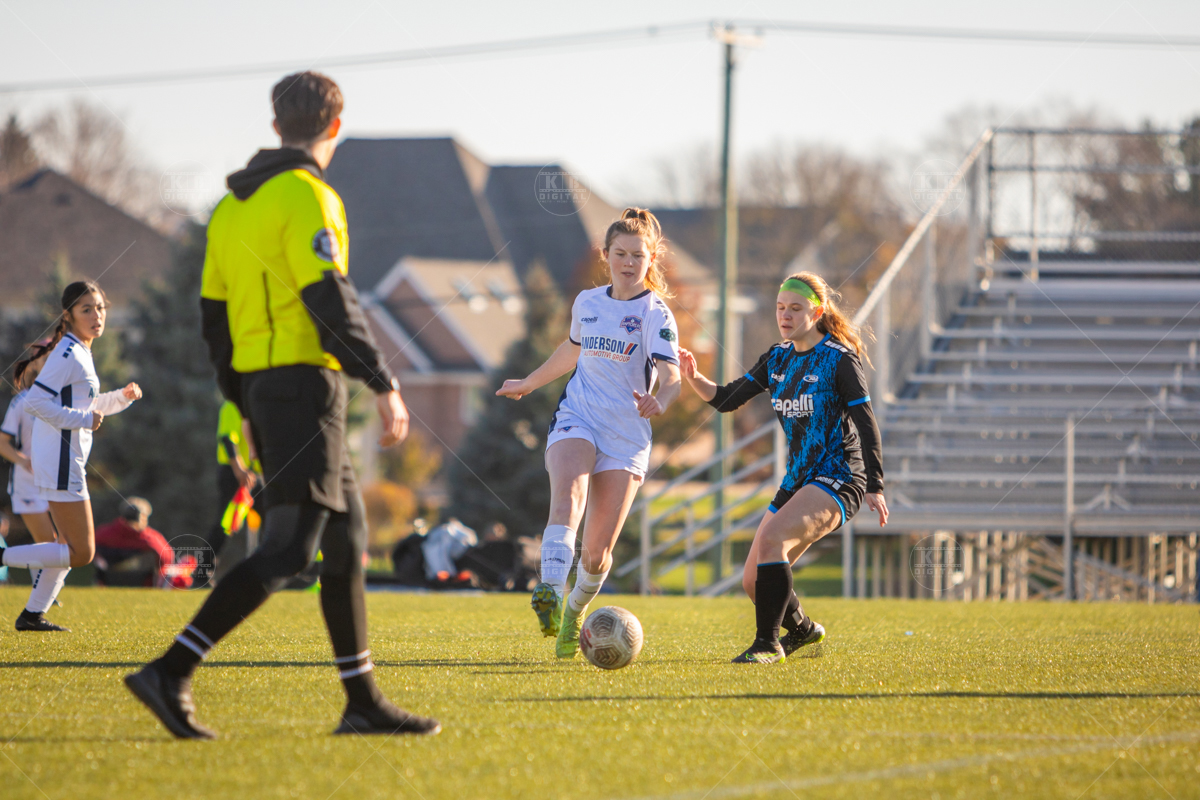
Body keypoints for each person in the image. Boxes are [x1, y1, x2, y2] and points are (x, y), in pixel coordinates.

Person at [125, 71, 439, 740]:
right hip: (304, 387)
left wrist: (240, 400)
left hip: (270, 390)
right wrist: (383, 380)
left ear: (275, 126)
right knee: (291, 548)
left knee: (348, 539)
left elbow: (215, 321)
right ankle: (170, 671)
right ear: (335, 128)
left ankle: (362, 702)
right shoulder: (310, 196)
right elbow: (327, 297)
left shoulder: (229, 209)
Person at [497, 207, 682, 658]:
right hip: (577, 417)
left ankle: (574, 612)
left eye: (638, 255)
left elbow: (671, 376)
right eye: (620, 253)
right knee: (568, 498)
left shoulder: (656, 314)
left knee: (597, 554)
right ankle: (549, 590)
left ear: (651, 259)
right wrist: (528, 383)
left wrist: (661, 400)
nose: (629, 262)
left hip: (626, 437)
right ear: (605, 255)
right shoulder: (587, 303)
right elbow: (571, 350)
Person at [679, 271, 888, 664]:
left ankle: (767, 645)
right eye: (780, 308)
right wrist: (694, 377)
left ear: (817, 312)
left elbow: (866, 423)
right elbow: (726, 399)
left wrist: (875, 483)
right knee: (752, 582)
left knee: (773, 538)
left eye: (795, 308)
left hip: (839, 477)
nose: (785, 315)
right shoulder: (777, 357)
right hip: (798, 480)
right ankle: (805, 630)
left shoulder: (839, 358)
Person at [0, 281, 142, 621]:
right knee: (82, 553)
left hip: (63, 460)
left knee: (66, 547)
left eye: (100, 308)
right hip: (61, 462)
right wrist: (83, 419)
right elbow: (35, 402)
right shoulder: (68, 352)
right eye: (86, 309)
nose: (97, 315)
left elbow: (88, 406)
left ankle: (33, 615)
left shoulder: (80, 351)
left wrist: (121, 398)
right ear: (68, 315)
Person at [1, 342, 70, 630]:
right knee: (49, 542)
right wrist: (24, 461)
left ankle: (40, 602)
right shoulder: (23, 401)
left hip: (56, 482)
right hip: (27, 486)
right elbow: (2, 443)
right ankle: (38, 606)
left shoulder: (63, 397)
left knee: (64, 543)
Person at [199, 400, 260, 586]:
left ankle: (267, 573)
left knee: (270, 518)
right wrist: (239, 469)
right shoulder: (232, 405)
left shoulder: (252, 406)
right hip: (234, 474)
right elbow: (227, 438)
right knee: (225, 524)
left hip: (252, 475)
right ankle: (201, 572)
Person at [94, 497, 176, 586]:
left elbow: (92, 550)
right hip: (144, 585)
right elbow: (167, 558)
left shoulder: (103, 534)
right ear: (143, 517)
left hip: (108, 583)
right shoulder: (151, 539)